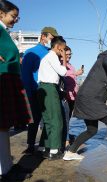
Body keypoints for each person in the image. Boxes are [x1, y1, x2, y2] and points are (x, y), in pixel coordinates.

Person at [63, 46, 107, 161]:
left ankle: (70, 152)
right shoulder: (105, 57)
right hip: (90, 98)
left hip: (88, 99)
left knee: (92, 130)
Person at [0, 0, 33, 177]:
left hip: (8, 78)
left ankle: (7, 167)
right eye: (13, 16)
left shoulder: (4, 32)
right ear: (1, 14)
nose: (15, 20)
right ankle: (5, 170)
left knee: (3, 126)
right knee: (2, 126)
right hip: (3, 79)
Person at [21, 26, 58, 155]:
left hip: (50, 91)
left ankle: (46, 144)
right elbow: (25, 74)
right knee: (35, 119)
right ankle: (31, 145)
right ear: (43, 36)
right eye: (51, 38)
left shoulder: (52, 53)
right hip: (35, 90)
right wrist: (29, 92)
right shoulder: (31, 52)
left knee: (49, 119)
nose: (52, 41)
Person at [37, 36, 67, 160]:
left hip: (42, 88)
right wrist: (64, 58)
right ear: (59, 47)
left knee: (48, 120)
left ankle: (45, 148)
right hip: (49, 89)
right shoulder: (52, 57)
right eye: (63, 49)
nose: (64, 51)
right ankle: (54, 151)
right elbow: (63, 72)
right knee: (56, 120)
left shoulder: (46, 57)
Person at [61, 46, 83, 148]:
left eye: (70, 54)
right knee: (64, 120)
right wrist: (75, 73)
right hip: (65, 95)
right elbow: (63, 73)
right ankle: (66, 141)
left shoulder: (71, 65)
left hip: (72, 97)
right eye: (67, 54)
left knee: (68, 119)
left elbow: (72, 79)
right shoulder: (60, 64)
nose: (69, 56)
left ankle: (67, 138)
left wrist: (77, 74)